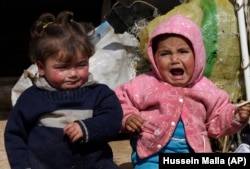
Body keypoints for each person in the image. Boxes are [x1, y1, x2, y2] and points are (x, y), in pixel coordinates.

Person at [115, 14, 250, 168]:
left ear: (197, 55)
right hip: (152, 156)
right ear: (154, 58)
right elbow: (120, 100)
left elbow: (217, 122)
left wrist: (236, 116)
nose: (174, 59)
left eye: (183, 51)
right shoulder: (144, 84)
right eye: (165, 53)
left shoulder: (208, 90)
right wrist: (128, 116)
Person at [4, 11, 123, 169]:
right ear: (41, 67)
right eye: (63, 67)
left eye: (81, 65)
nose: (73, 74)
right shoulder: (31, 99)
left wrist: (88, 128)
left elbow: (113, 120)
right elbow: (15, 136)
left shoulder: (99, 94)